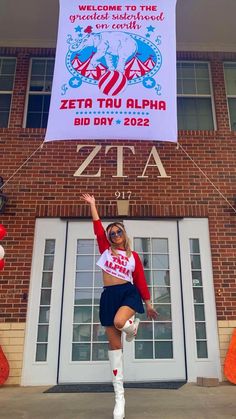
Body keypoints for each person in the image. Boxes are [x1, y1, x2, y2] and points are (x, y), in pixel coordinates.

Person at [81, 194, 158, 419]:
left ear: (124, 235)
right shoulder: (105, 249)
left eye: (118, 231)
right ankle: (119, 399)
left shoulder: (133, 256)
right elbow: (97, 228)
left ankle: (132, 327)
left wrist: (148, 304)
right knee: (115, 350)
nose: (115, 235)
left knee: (119, 322)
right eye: (112, 232)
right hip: (109, 297)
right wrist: (93, 206)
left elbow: (141, 281)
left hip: (127, 293)